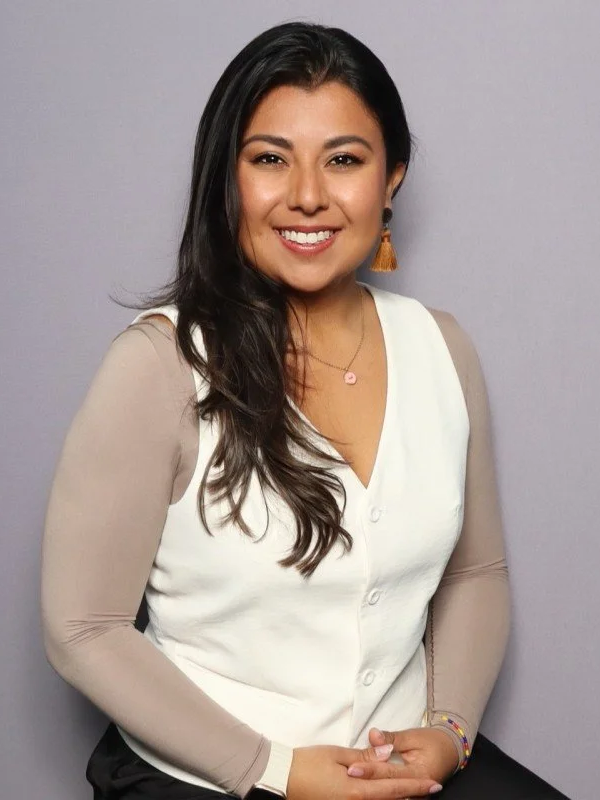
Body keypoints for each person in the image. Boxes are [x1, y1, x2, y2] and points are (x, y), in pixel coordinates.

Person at [41, 21, 568, 800]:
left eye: (345, 161)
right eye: (269, 160)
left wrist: (450, 732)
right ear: (229, 178)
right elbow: (82, 627)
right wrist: (274, 769)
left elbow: (476, 572)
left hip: (394, 768)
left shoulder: (442, 349)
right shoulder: (157, 365)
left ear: (391, 181)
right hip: (213, 777)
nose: (309, 196)